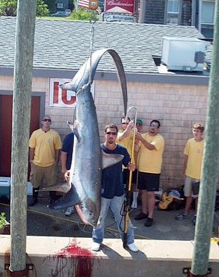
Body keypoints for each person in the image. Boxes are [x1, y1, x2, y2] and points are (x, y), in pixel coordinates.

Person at [91, 123, 138, 252]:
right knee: (99, 219)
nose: (111, 135)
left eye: (113, 133)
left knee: (123, 218)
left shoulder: (122, 150)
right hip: (101, 190)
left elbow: (128, 163)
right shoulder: (97, 150)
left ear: (116, 135)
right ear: (104, 134)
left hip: (117, 191)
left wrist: (131, 166)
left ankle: (129, 241)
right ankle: (97, 240)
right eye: (108, 133)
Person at [134, 120, 165, 227]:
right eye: (151, 125)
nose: (153, 127)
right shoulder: (143, 135)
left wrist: (141, 139)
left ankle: (150, 216)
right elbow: (137, 148)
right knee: (142, 192)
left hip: (153, 171)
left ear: (158, 128)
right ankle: (144, 212)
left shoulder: (159, 138)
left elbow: (151, 147)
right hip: (142, 169)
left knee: (151, 194)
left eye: (155, 126)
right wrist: (135, 140)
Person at [29, 115, 62, 206]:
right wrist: (31, 160)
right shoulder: (35, 133)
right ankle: (34, 199)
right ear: (42, 122)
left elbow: (57, 149)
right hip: (37, 164)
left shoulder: (55, 134)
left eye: (49, 120)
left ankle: (52, 200)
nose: (47, 122)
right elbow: (32, 147)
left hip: (50, 165)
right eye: (45, 120)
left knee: (52, 184)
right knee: (36, 183)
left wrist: (56, 161)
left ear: (50, 123)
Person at [175, 124, 204, 225]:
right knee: (188, 195)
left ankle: (197, 216)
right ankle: (185, 213)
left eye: (198, 131)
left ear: (201, 132)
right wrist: (184, 169)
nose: (196, 133)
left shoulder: (205, 143)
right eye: (194, 130)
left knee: (198, 197)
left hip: (199, 176)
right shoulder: (189, 142)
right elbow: (186, 156)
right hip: (189, 174)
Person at [61, 132, 75, 216]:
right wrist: (64, 168)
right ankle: (70, 206)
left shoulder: (88, 135)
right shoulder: (69, 137)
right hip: (71, 168)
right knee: (70, 188)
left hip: (85, 169)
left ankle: (82, 208)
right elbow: (63, 153)